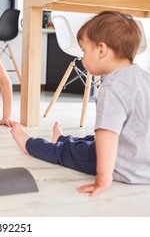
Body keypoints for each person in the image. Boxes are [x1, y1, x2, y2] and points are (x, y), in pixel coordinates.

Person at [11, 11, 150, 196]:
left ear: (101, 50)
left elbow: (107, 134)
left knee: (65, 153)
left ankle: (29, 143)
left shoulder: (112, 87)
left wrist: (104, 176)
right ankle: (61, 138)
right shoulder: (144, 78)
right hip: (144, 164)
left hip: (123, 166)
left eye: (84, 51)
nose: (82, 58)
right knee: (90, 140)